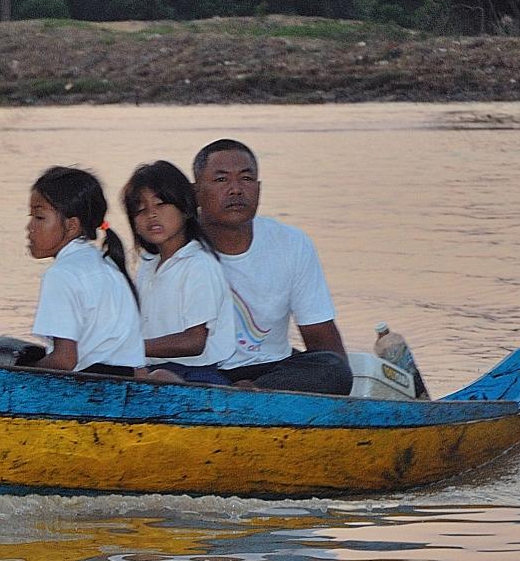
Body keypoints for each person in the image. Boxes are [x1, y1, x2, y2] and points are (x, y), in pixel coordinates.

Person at [191, 139, 352, 394]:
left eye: (246, 178)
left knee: (332, 368)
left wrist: (340, 383)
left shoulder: (291, 242)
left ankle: (249, 394)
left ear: (258, 188)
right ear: (196, 191)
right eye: (221, 180)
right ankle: (237, 396)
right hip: (200, 373)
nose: (235, 190)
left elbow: (320, 334)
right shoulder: (176, 245)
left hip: (269, 373)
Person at [25, 166, 145, 376]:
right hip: (127, 382)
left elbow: (64, 360)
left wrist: (21, 372)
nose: (29, 227)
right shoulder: (108, 265)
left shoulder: (62, 274)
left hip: (93, 389)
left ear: (71, 226)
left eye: (39, 217)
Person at [122, 160, 235, 385]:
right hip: (155, 367)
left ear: (185, 209)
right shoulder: (148, 264)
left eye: (161, 204)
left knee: (159, 378)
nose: (151, 215)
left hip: (198, 376)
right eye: (141, 209)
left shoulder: (198, 264)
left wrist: (132, 347)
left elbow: (194, 342)